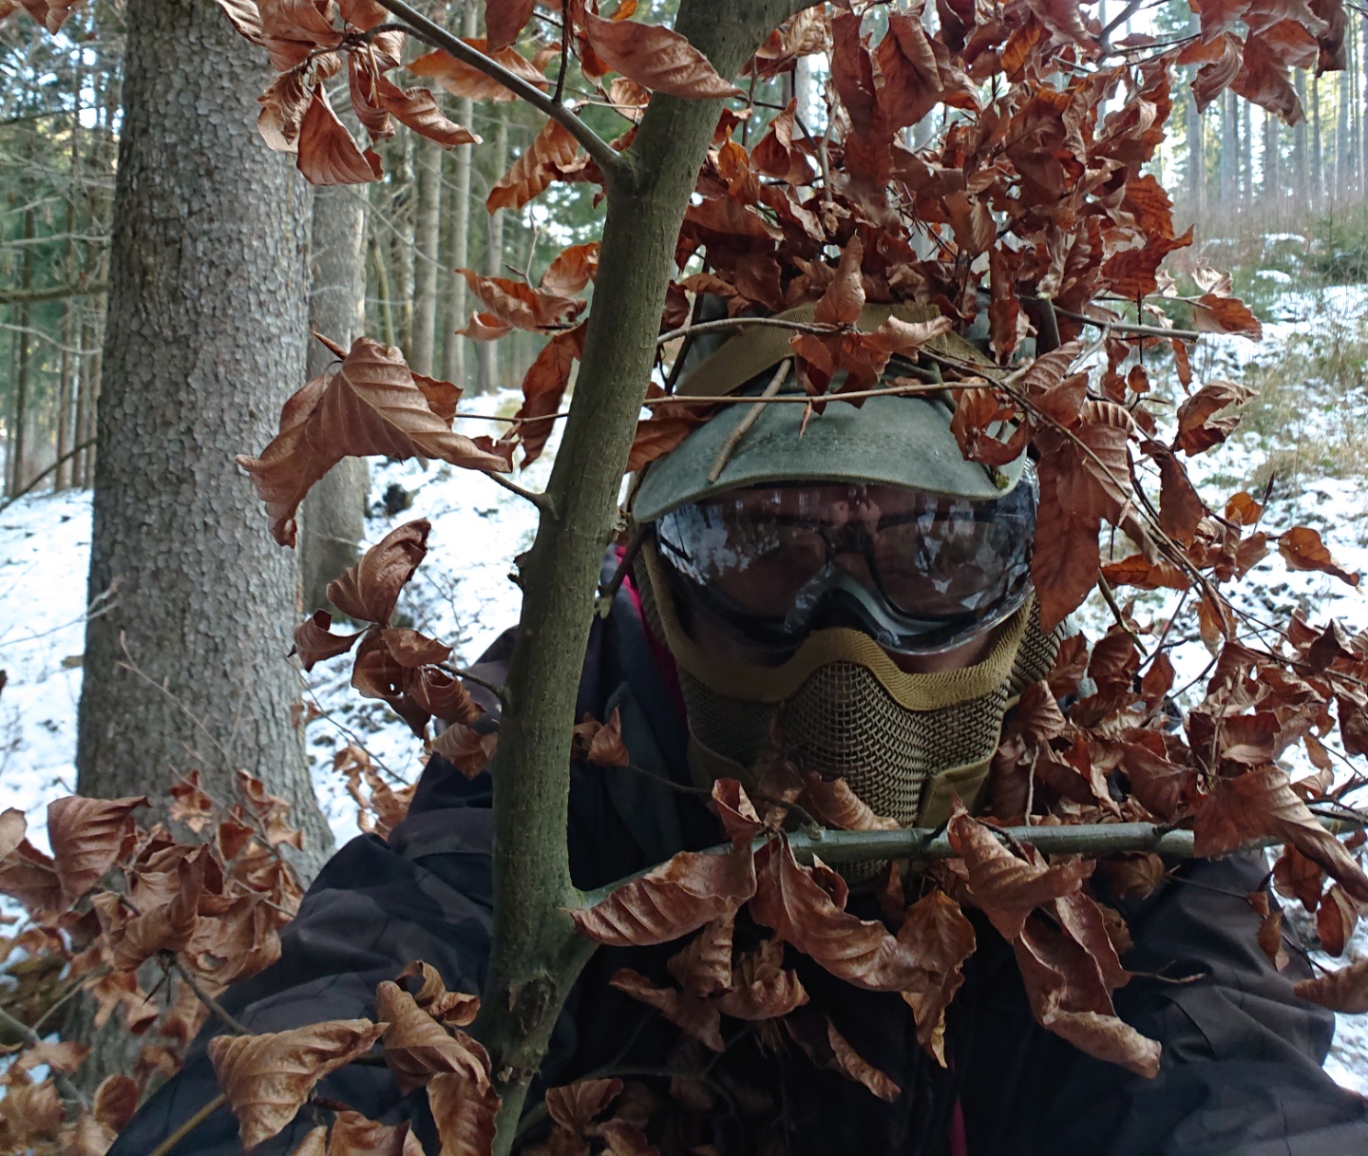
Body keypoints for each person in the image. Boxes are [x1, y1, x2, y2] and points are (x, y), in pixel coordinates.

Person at [112, 321, 1368, 1156]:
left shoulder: (1124, 795)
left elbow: (1228, 1080)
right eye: (763, 548)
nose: (847, 636)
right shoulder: (553, 739)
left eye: (932, 552)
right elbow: (391, 966)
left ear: (1033, 577)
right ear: (658, 575)